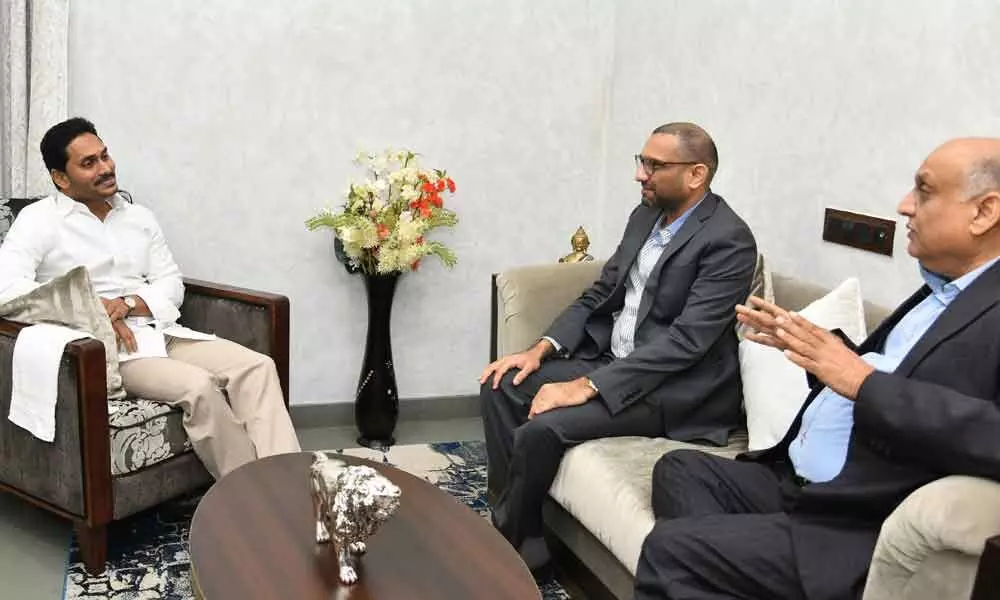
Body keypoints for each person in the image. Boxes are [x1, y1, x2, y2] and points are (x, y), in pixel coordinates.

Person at [634, 137, 1000, 600]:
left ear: (985, 212)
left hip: (857, 519)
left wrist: (858, 378)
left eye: (924, 191)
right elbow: (884, 372)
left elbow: (979, 427)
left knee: (673, 550)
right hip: (798, 483)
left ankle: (727, 561)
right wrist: (816, 350)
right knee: (680, 469)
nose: (905, 206)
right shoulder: (941, 288)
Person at [479, 122, 758, 576]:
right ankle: (518, 525)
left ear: (697, 174)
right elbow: (602, 292)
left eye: (655, 165)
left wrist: (586, 385)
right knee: (503, 383)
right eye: (641, 161)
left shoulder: (729, 240)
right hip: (615, 361)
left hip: (673, 388)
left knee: (541, 431)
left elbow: (687, 342)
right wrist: (540, 350)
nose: (640, 174)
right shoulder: (645, 217)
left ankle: (511, 543)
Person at [0, 117, 300, 479]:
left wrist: (127, 304)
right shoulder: (38, 221)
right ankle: (251, 496)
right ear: (60, 178)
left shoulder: (138, 217)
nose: (106, 168)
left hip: (159, 330)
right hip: (108, 351)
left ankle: (288, 489)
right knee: (198, 387)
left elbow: (170, 282)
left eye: (105, 155)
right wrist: (92, 310)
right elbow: (8, 291)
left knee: (257, 367)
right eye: (88, 163)